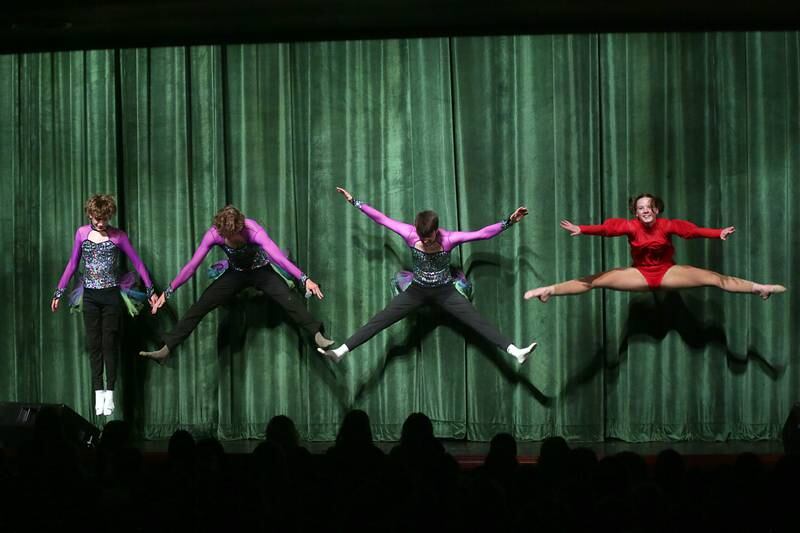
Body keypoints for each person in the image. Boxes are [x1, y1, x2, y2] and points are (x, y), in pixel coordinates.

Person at [317, 187, 537, 364]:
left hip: (445, 291)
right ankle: (340, 352)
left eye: (429, 238)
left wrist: (509, 221)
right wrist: (354, 202)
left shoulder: (449, 239)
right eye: (422, 238)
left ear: (436, 231)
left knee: (477, 321)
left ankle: (515, 351)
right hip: (417, 290)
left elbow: (482, 234)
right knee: (381, 319)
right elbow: (381, 219)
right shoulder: (410, 234)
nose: (425, 242)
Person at [139, 205, 333, 362]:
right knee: (201, 305)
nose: (229, 240)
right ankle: (167, 347)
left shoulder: (254, 231)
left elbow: (279, 259)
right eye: (226, 236)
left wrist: (304, 278)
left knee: (288, 299)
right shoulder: (214, 234)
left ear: (240, 228)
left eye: (233, 236)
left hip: (261, 271)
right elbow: (191, 267)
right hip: (236, 274)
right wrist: (168, 291)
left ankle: (317, 334)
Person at [524, 193, 786, 302]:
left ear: (656, 209)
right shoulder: (630, 227)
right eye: (640, 208)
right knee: (594, 281)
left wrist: (718, 233)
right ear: (636, 213)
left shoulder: (667, 225)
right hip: (639, 274)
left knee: (715, 279)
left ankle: (759, 288)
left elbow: (692, 232)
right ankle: (549, 290)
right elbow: (606, 229)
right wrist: (582, 229)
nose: (645, 210)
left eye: (649, 207)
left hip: (667, 272)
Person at [52, 194, 156, 416]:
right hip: (89, 295)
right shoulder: (82, 233)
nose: (101, 223)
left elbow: (137, 263)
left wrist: (150, 290)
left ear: (109, 216)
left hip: (111, 296)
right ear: (90, 215)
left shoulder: (118, 236)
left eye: (105, 219)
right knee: (94, 345)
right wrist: (59, 291)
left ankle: (110, 392)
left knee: (109, 343)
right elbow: (73, 264)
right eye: (97, 219)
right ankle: (98, 392)